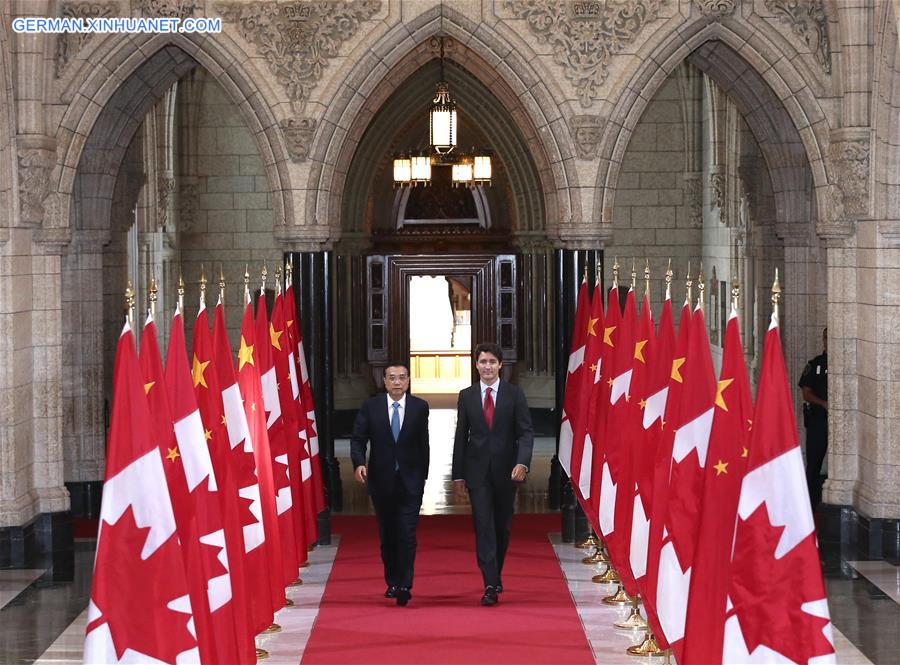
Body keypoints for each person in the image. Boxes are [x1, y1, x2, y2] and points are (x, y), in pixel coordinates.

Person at [452, 342, 533, 606]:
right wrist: (458, 475)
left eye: (492, 362)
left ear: (500, 365)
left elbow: (525, 433)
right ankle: (489, 583)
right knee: (483, 525)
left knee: (502, 526)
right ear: (476, 365)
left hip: (507, 472)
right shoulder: (466, 396)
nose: (487, 366)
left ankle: (495, 573)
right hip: (477, 473)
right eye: (483, 362)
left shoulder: (514, 395)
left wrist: (523, 462)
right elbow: (460, 437)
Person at [351, 362, 430, 606]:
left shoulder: (419, 407)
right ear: (384, 382)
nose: (397, 382)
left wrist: (422, 476)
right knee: (388, 535)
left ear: (408, 381)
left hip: (410, 482)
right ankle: (392, 582)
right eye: (392, 378)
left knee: (407, 533)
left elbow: (423, 444)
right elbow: (358, 438)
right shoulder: (371, 407)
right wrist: (358, 463)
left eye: (402, 377)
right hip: (381, 480)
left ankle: (405, 584)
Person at [799, 327, 828, 507]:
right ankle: (810, 502)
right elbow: (806, 393)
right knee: (814, 462)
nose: (828, 341)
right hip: (819, 420)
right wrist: (823, 403)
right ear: (823, 340)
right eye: (826, 338)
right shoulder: (815, 365)